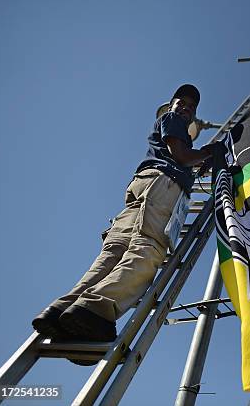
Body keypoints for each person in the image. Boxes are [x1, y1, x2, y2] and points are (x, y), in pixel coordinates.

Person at [32, 84, 215, 348]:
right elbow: (181, 156)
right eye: (181, 102)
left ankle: (63, 310)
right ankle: (95, 310)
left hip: (143, 188)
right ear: (171, 106)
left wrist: (199, 159)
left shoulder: (166, 128)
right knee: (147, 249)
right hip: (162, 186)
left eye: (192, 106)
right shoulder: (172, 121)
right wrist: (211, 151)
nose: (187, 108)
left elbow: (184, 156)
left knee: (113, 254)